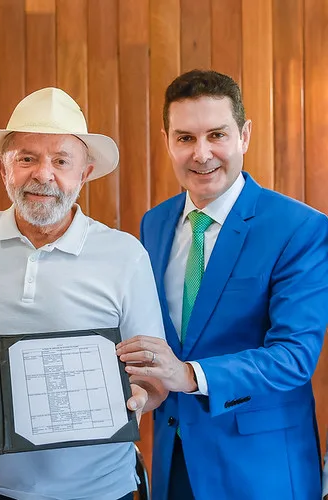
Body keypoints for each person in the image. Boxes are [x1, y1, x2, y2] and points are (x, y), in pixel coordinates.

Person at [0, 87, 168, 500]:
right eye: (27, 158)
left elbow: (153, 374)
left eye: (61, 161)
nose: (43, 175)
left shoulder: (126, 255)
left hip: (98, 491)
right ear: (3, 167)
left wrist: (141, 397)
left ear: (84, 173)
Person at [117, 69, 328, 500]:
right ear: (167, 142)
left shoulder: (300, 228)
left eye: (217, 135)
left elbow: (293, 356)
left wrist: (189, 374)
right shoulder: (153, 224)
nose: (202, 154)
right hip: (173, 462)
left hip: (260, 470)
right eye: (185, 138)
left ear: (244, 135)